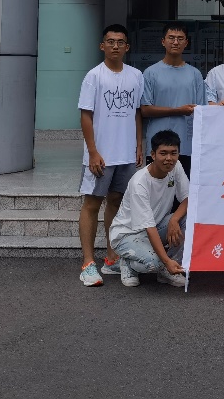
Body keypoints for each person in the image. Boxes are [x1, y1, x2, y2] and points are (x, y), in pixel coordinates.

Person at [76, 23, 144, 287]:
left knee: (116, 202)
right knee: (92, 204)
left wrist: (138, 145)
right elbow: (86, 115)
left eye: (120, 42)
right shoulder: (94, 76)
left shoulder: (136, 75)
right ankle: (88, 263)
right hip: (101, 156)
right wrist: (93, 152)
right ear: (102, 45)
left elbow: (137, 112)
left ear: (127, 47)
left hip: (126, 155)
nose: (115, 46)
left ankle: (112, 258)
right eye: (111, 41)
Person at [109, 129, 189, 288]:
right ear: (153, 155)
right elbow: (149, 227)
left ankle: (168, 268)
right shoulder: (139, 183)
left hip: (157, 225)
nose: (169, 158)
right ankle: (129, 264)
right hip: (127, 234)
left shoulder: (176, 166)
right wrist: (165, 261)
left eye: (173, 153)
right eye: (163, 153)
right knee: (153, 263)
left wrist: (174, 219)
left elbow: (188, 198)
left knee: (188, 219)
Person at [141, 23, 206, 179]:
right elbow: (145, 109)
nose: (175, 42)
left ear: (186, 43)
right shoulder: (150, 73)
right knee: (156, 188)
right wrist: (178, 110)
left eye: (180, 38)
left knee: (184, 190)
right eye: (171, 38)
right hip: (158, 146)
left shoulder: (195, 74)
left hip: (187, 145)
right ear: (163, 41)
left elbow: (202, 111)